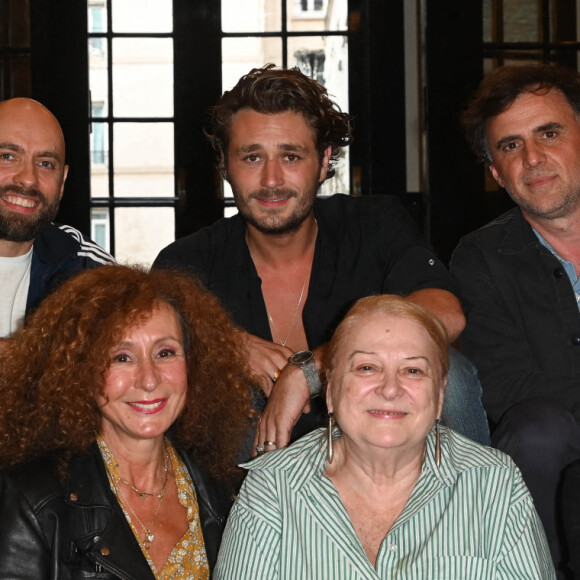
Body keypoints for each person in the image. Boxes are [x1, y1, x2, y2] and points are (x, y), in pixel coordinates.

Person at [154, 64, 489, 455]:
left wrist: (311, 370)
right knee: (219, 393)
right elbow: (148, 353)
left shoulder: (373, 225)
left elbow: (445, 311)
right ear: (226, 166)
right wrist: (222, 342)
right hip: (251, 477)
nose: (272, 180)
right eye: (251, 158)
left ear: (324, 159)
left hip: (384, 447)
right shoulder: (188, 261)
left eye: (291, 156)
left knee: (452, 373)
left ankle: (473, 509)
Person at [214, 295, 554, 579]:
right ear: (330, 390)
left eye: (413, 370)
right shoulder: (273, 487)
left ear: (439, 397)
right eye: (366, 367)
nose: (390, 389)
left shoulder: (494, 483)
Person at [0, 264, 255, 578]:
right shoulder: (34, 501)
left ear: (194, 363)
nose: (148, 380)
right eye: (122, 357)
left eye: (165, 353)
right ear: (81, 371)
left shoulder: (231, 494)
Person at [450, 63, 580, 574]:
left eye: (549, 133)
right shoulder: (480, 258)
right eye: (510, 146)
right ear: (496, 173)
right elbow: (507, 386)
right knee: (535, 430)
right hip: (552, 453)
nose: (533, 158)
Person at [0, 97, 113, 351]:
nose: (28, 180)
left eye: (45, 164)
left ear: (62, 181)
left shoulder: (88, 269)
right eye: (8, 156)